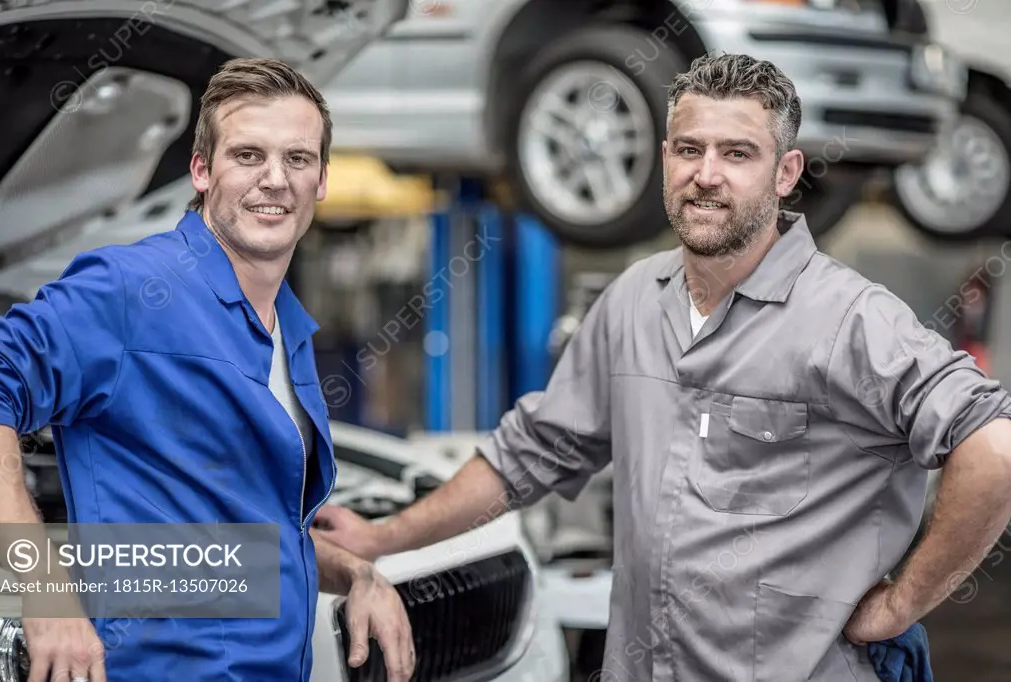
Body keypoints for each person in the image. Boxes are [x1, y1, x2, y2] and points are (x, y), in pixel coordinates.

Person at [315, 53, 1011, 680]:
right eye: (689, 149)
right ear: (665, 158)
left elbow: (995, 448)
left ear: (786, 172)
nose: (706, 175)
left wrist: (900, 603)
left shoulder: (848, 319)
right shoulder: (632, 304)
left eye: (738, 153)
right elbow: (528, 454)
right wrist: (383, 537)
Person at [0, 58, 415, 682]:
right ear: (201, 170)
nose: (274, 180)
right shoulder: (132, 289)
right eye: (247, 155)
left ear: (322, 179)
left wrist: (357, 572)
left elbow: (238, 548)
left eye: (297, 159)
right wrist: (46, 590)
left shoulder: (286, 329)